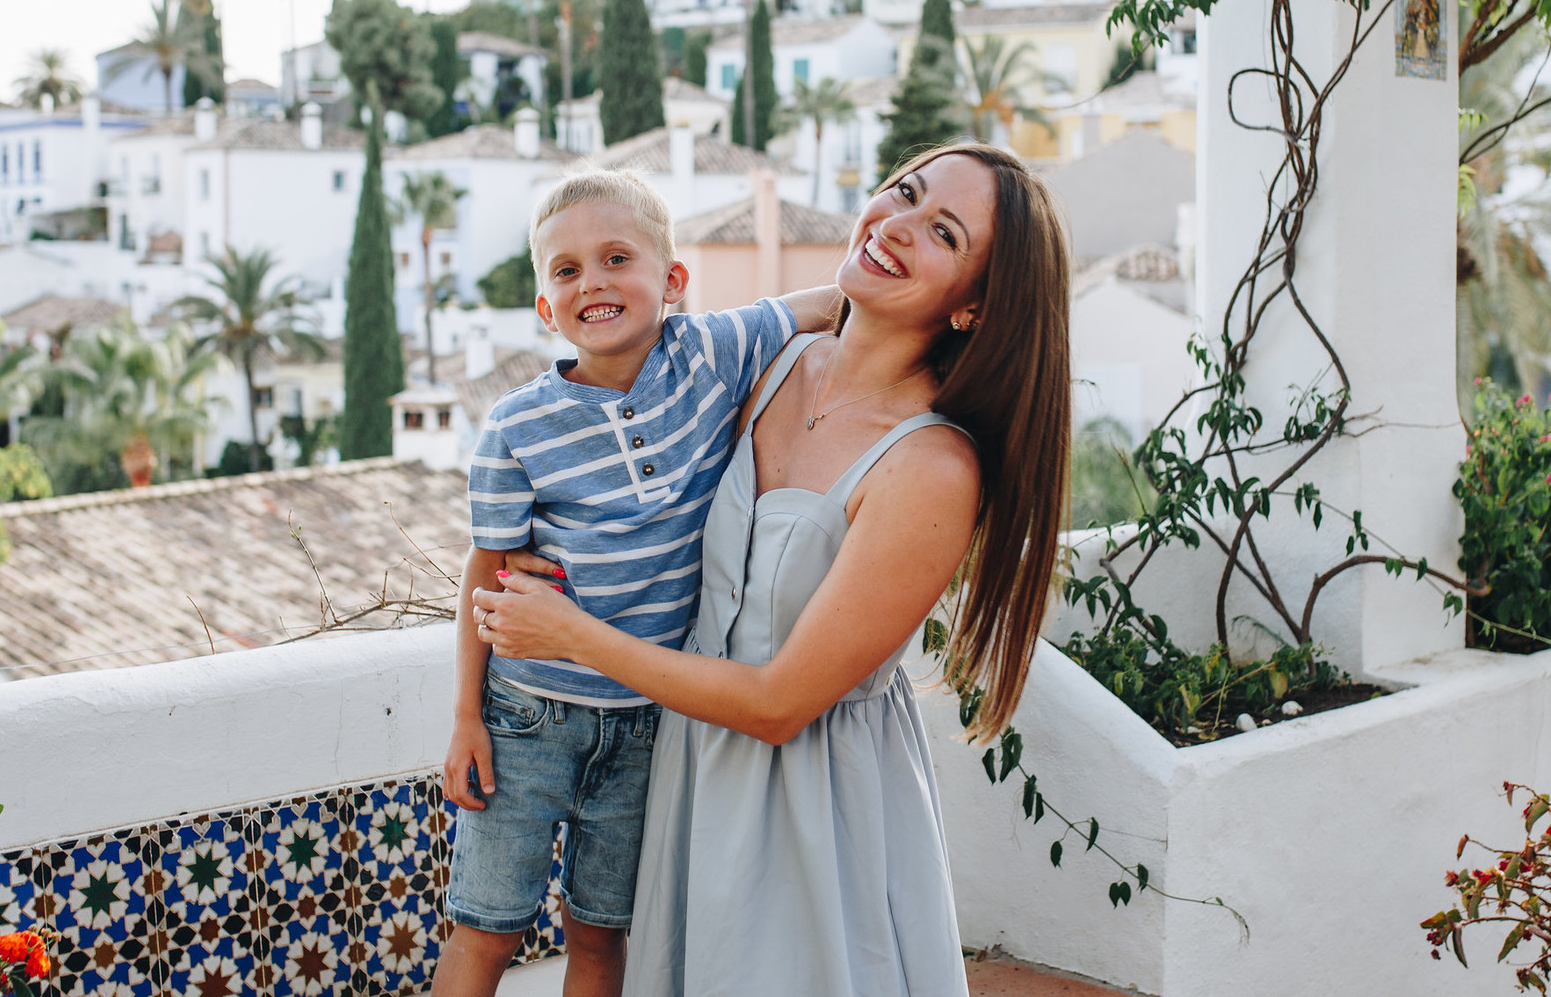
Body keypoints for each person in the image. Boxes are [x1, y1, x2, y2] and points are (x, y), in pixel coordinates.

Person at [475, 143, 1073, 997]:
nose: (896, 224)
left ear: (976, 305)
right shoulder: (773, 362)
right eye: (901, 193)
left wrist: (572, 636)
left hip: (815, 809)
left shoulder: (932, 469)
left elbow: (780, 704)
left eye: (940, 231)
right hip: (693, 766)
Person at [431, 169, 840, 997]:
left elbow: (835, 302)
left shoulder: (715, 350)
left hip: (651, 726)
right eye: (568, 271)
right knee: (485, 927)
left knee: (602, 932)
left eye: (618, 257)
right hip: (527, 716)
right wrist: (468, 717)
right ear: (546, 307)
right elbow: (489, 567)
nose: (594, 283)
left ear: (673, 280)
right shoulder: (516, 425)